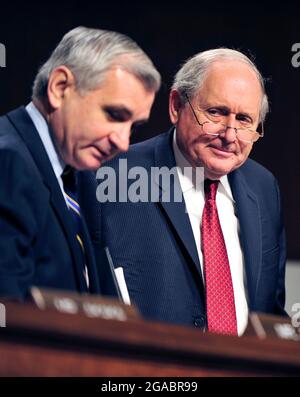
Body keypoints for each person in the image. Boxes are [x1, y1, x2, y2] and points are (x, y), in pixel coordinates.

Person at [97, 48, 286, 336]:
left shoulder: (263, 187)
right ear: (176, 106)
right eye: (216, 113)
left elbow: (270, 310)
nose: (230, 135)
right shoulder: (113, 174)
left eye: (245, 120)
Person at [0, 26, 160, 300]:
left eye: (133, 127)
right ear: (60, 88)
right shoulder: (8, 162)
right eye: (114, 114)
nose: (122, 143)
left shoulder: (76, 176)